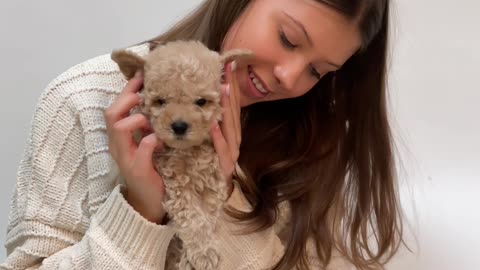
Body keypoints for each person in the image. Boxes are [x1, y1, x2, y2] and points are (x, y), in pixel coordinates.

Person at [0, 0, 405, 269]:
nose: (289, 76)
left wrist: (221, 198)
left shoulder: (311, 138)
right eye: (288, 38)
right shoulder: (81, 100)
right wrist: (139, 212)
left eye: (318, 71)